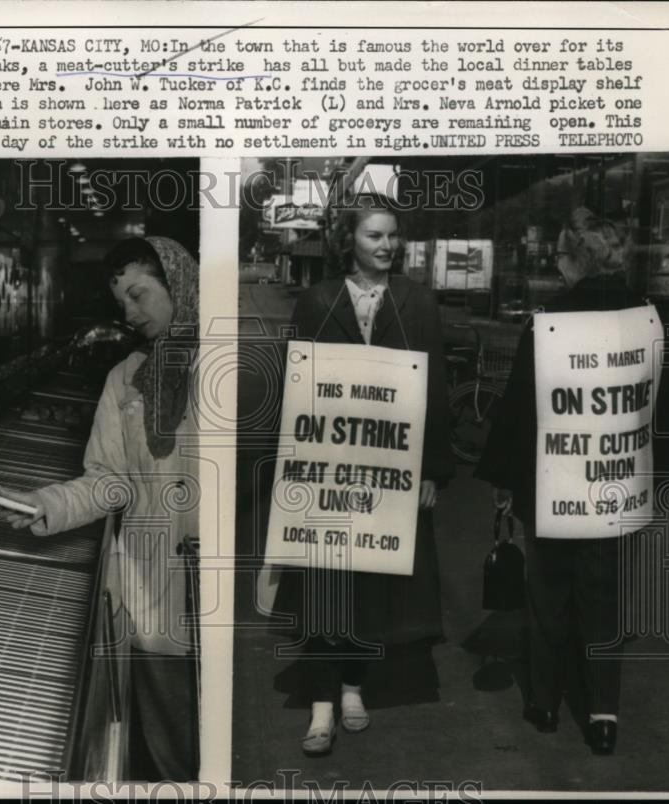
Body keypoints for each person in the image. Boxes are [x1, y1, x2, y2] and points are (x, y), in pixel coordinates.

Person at [0, 236, 199, 781]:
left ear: (178, 283)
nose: (131, 315)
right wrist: (48, 504)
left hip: (224, 601)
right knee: (172, 756)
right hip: (154, 597)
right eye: (121, 305)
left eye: (140, 295)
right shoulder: (125, 379)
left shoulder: (234, 369)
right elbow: (109, 481)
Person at [268, 192, 453, 757]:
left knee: (372, 588)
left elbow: (437, 393)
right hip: (329, 472)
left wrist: (432, 472)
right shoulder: (317, 302)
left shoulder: (417, 302)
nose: (388, 246)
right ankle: (322, 705)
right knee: (329, 582)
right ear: (349, 240)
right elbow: (295, 392)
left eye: (393, 236)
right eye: (375, 236)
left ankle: (353, 690)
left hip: (391, 473)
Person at [476, 207, 649, 756]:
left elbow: (520, 410)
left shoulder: (547, 319)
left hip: (550, 486)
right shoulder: (643, 319)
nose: (553, 261)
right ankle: (602, 716)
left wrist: (504, 483)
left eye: (558, 253)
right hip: (613, 483)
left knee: (547, 598)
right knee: (601, 600)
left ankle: (546, 704)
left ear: (577, 259)